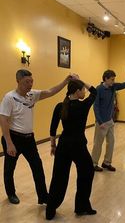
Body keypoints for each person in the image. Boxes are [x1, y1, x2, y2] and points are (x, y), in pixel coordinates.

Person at [0, 69, 73, 205]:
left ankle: (43, 196)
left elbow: (50, 92)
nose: (30, 84)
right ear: (18, 81)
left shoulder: (32, 95)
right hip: (13, 138)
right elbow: (3, 120)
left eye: (31, 81)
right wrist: (9, 143)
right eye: (27, 82)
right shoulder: (9, 98)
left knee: (37, 166)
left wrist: (66, 81)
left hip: (28, 139)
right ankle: (11, 193)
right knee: (10, 168)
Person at [46, 78, 97, 220]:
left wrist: (53, 145)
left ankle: (50, 210)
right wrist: (80, 79)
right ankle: (81, 206)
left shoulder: (60, 106)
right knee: (87, 172)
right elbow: (95, 91)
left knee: (58, 178)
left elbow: (52, 128)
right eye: (83, 90)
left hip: (63, 145)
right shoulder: (83, 105)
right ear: (77, 91)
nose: (85, 92)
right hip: (78, 146)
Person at [91, 69, 125, 172]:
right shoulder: (98, 89)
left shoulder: (114, 87)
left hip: (110, 121)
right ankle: (93, 164)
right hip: (101, 123)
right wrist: (100, 121)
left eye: (114, 79)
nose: (113, 81)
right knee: (97, 144)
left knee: (111, 143)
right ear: (106, 79)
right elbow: (96, 107)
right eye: (112, 79)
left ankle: (106, 162)